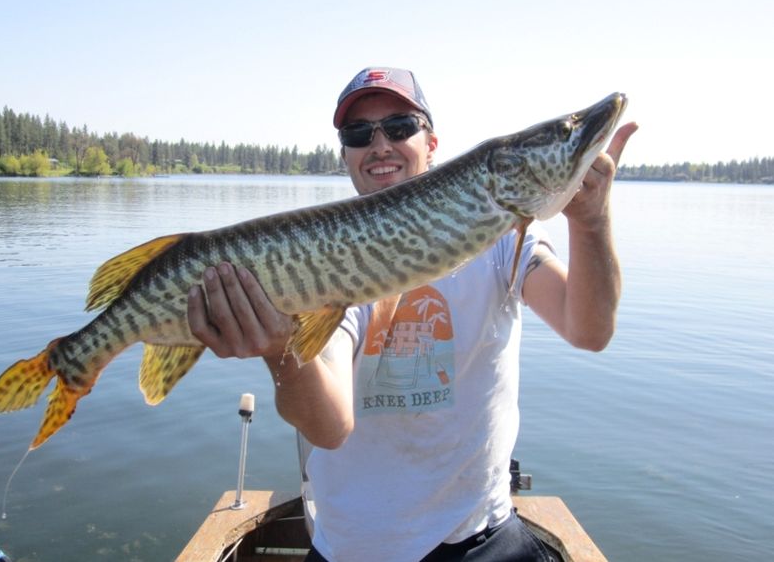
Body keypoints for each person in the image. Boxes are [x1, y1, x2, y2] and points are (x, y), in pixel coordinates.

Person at [187, 67, 638, 562]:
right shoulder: (327, 264)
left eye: (400, 126)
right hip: (354, 548)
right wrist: (277, 351)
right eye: (359, 134)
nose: (380, 144)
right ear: (346, 156)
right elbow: (329, 426)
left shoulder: (508, 239)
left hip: (482, 537)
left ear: (431, 141)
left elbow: (589, 331)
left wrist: (591, 223)